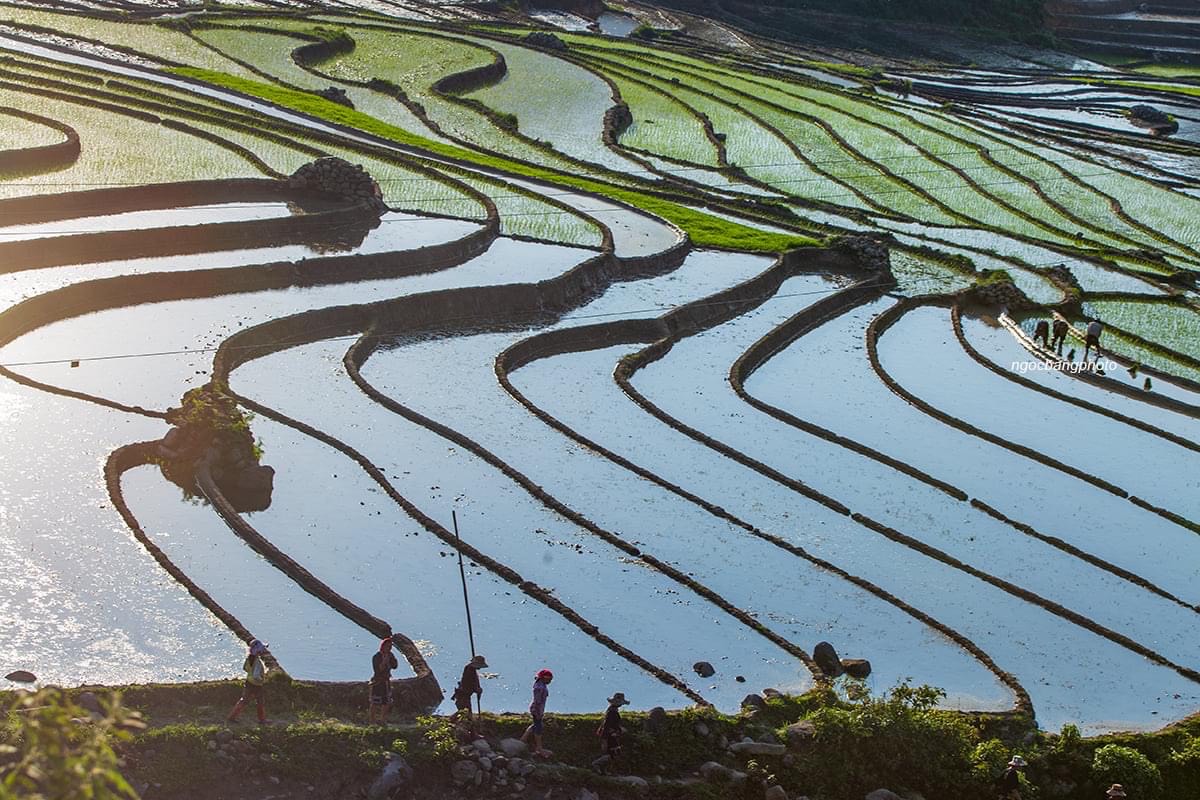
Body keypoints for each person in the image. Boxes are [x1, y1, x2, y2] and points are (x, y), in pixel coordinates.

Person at [227, 639, 270, 724]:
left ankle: (232, 717)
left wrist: (251, 673)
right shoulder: (257, 662)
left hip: (248, 682)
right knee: (260, 702)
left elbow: (245, 668)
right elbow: (256, 675)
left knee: (243, 700)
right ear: (258, 651)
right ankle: (262, 720)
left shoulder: (249, 658)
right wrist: (262, 679)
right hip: (257, 685)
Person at [592, 692, 629, 774]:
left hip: (611, 735)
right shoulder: (612, 712)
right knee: (612, 753)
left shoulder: (612, 711)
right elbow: (608, 725)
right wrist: (618, 730)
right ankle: (596, 764)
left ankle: (603, 770)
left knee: (612, 753)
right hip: (609, 735)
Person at [451, 654, 488, 735]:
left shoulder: (471, 670)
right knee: (465, 713)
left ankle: (470, 731)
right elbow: (468, 685)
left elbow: (474, 683)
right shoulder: (469, 671)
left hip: (465, 695)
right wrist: (477, 690)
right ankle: (467, 731)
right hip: (463, 696)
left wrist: (477, 689)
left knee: (465, 713)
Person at [521, 669, 553, 758]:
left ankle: (523, 739)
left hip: (539, 709)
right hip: (537, 709)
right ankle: (539, 748)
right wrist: (538, 712)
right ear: (544, 678)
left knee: (536, 725)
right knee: (538, 728)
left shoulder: (541, 685)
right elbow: (537, 701)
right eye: (549, 679)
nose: (550, 681)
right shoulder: (539, 687)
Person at [369, 636, 399, 724]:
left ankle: (383, 720)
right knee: (375, 702)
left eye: (390, 647)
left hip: (386, 682)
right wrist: (384, 661)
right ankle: (372, 721)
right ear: (383, 646)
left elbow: (395, 666)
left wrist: (392, 659)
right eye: (388, 646)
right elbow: (378, 670)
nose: (389, 648)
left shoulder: (390, 655)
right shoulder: (376, 657)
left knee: (386, 702)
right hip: (377, 682)